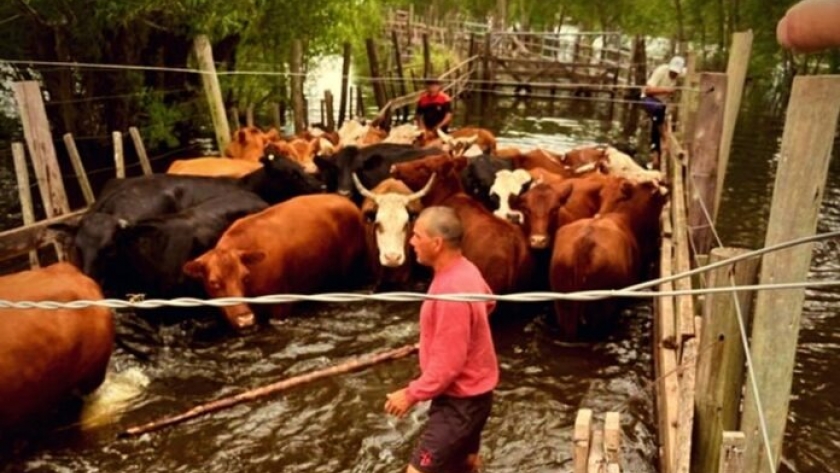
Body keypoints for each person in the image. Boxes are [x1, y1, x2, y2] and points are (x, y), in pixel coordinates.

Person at [384, 206, 498, 473]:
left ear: (437, 243)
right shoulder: (465, 269)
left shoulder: (449, 290)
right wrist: (443, 337)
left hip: (458, 404)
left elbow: (448, 365)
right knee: (465, 464)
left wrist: (410, 394)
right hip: (479, 396)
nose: (411, 242)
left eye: (417, 236)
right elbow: (488, 301)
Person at [641, 55, 685, 170]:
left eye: (676, 73)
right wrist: (666, 90)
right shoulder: (661, 71)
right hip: (648, 100)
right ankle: (664, 135)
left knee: (657, 117)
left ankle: (655, 154)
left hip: (661, 107)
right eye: (672, 72)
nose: (673, 74)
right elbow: (647, 90)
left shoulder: (681, 76)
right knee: (658, 109)